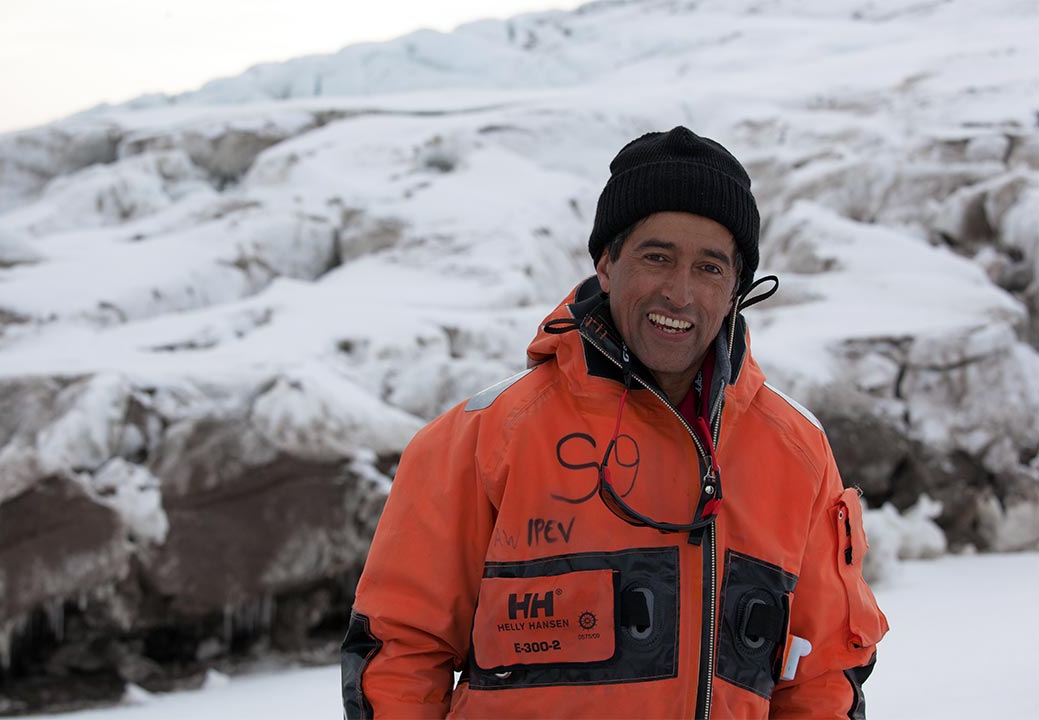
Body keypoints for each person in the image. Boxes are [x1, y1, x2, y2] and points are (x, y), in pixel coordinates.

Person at [341, 126, 888, 719]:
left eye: (709, 268)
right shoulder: (483, 438)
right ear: (606, 264)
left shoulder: (798, 452)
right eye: (657, 257)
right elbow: (400, 654)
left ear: (737, 288)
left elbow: (822, 679)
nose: (679, 293)